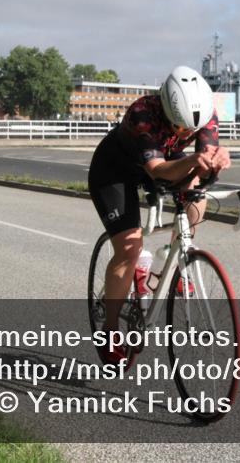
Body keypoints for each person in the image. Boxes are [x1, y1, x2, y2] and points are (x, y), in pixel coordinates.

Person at [88, 65, 230, 363]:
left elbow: (200, 162)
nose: (185, 133)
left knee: (197, 197)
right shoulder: (143, 112)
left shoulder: (204, 113)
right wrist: (194, 157)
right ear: (165, 107)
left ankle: (175, 260)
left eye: (191, 130)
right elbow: (159, 171)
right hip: (116, 169)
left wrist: (213, 162)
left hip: (164, 158)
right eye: (179, 127)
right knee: (129, 248)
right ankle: (110, 330)